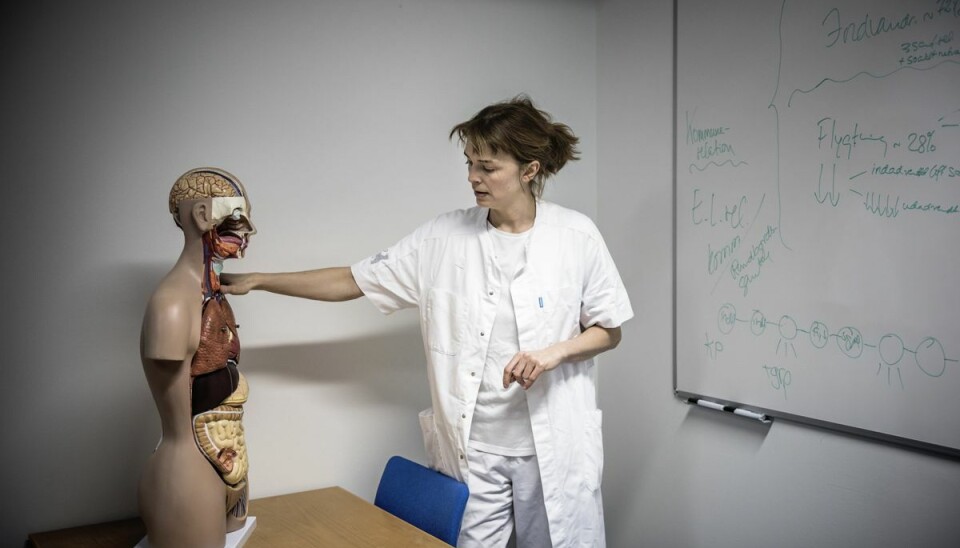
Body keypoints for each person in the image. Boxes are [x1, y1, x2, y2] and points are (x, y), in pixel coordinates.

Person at [222, 96, 632, 547]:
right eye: (469, 163)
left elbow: (608, 329)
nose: (473, 177)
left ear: (529, 170)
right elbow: (352, 280)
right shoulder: (441, 239)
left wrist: (553, 353)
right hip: (474, 453)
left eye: (488, 167)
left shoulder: (576, 236)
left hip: (556, 446)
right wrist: (258, 280)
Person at [139, 167, 257, 547]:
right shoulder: (171, 305)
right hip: (188, 471)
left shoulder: (213, 293)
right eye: (237, 218)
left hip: (228, 451)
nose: (246, 233)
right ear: (202, 215)